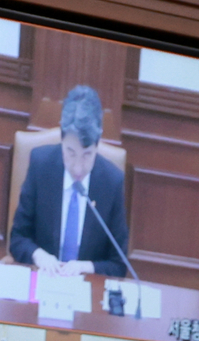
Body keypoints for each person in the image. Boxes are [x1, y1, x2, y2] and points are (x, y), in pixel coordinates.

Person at [7, 85, 129, 277]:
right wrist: (39, 256)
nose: (77, 168)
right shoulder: (41, 166)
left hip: (87, 289)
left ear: (98, 144)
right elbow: (17, 239)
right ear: (61, 138)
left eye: (87, 155)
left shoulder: (111, 182)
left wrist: (85, 267)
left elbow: (119, 264)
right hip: (42, 279)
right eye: (70, 153)